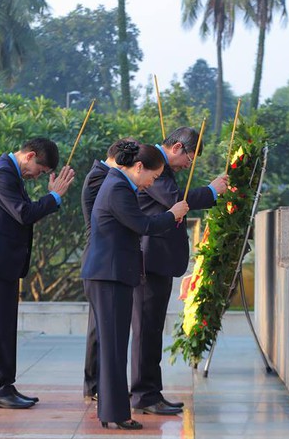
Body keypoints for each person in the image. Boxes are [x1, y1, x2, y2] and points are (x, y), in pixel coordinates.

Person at [81, 141, 189, 430]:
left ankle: (112, 411)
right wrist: (173, 213)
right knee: (114, 348)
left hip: (112, 274)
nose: (150, 184)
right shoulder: (117, 186)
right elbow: (143, 225)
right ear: (138, 167)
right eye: (152, 178)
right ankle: (115, 413)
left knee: (114, 346)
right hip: (108, 275)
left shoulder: (120, 184)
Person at [131, 126, 228, 415]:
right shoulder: (153, 165)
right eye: (190, 157)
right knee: (146, 329)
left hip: (158, 260)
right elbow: (176, 198)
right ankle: (144, 394)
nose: (189, 164)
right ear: (177, 148)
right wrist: (212, 191)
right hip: (150, 259)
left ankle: (150, 391)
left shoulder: (162, 167)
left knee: (151, 328)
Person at [0, 138, 75, 409]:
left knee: (6, 327)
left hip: (4, 263)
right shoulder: (1, 174)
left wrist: (52, 198)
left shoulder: (9, 172)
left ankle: (6, 384)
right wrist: (54, 196)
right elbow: (23, 213)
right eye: (39, 171)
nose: (37, 177)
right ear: (29, 156)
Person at [81, 138, 135, 401]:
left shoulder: (107, 177)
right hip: (102, 259)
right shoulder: (101, 178)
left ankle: (98, 385)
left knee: (101, 328)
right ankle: (96, 385)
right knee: (100, 330)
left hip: (104, 258)